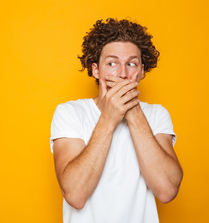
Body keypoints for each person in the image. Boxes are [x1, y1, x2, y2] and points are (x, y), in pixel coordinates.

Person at [49, 18, 183, 223]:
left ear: (141, 72)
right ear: (96, 70)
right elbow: (75, 195)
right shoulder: (69, 113)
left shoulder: (156, 115)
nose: (122, 74)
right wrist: (108, 119)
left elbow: (167, 191)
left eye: (131, 64)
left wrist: (133, 112)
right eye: (112, 63)